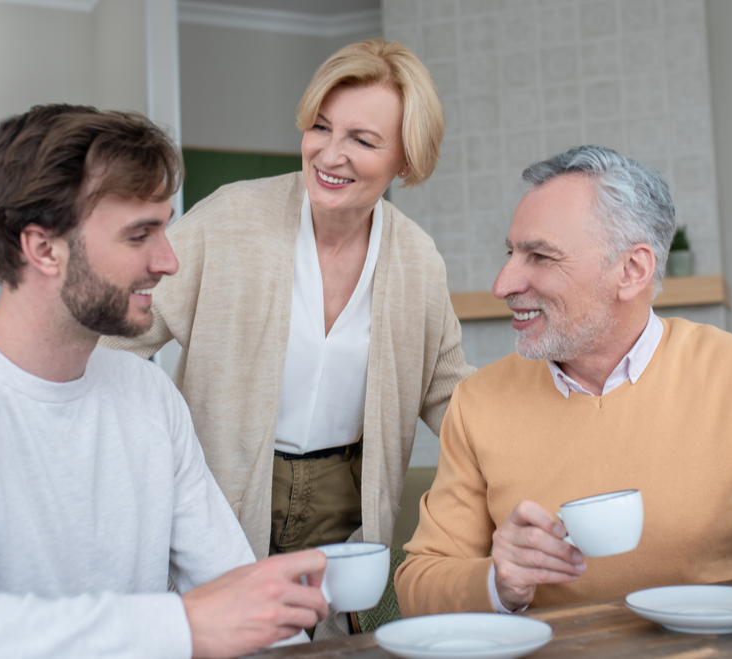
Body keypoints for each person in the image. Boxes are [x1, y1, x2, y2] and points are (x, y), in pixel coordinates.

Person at [0, 105, 329, 659]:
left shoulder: (149, 396)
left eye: (163, 228)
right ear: (43, 248)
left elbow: (237, 592)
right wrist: (180, 627)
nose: (168, 261)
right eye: (139, 235)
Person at [394, 146, 732, 642]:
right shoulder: (480, 402)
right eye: (511, 253)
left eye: (539, 256)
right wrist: (499, 581)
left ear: (631, 270)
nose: (503, 284)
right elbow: (420, 578)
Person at [102, 39, 472, 567]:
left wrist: (536, 437)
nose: (329, 154)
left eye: (362, 140)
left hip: (344, 500)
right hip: (219, 490)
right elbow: (115, 336)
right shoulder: (230, 218)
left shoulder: (418, 259)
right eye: (321, 127)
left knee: (333, 622)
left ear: (406, 161)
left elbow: (446, 392)